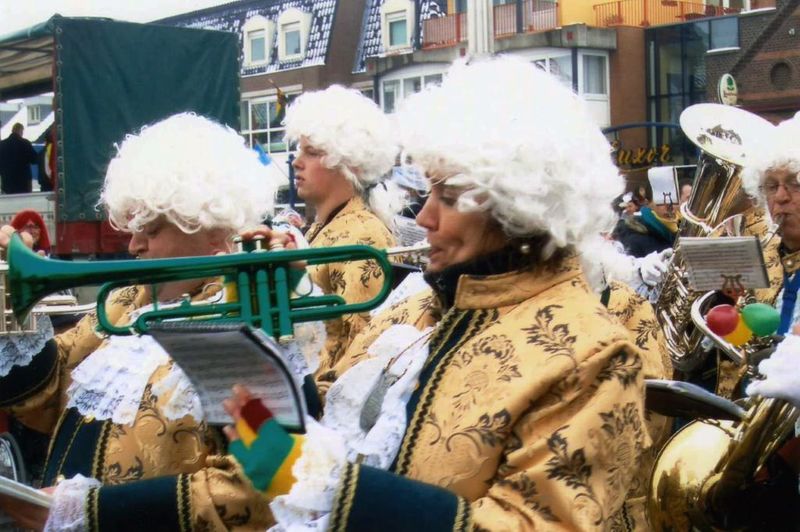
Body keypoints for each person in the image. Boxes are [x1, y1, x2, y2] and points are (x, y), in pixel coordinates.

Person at [225, 57, 650, 530]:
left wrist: (332, 487)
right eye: (429, 193)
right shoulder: (415, 308)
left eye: (446, 198)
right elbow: (336, 426)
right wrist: (275, 369)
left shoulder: (596, 354)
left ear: (515, 211)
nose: (424, 218)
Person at [0, 113, 281, 530]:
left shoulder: (243, 317)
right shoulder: (126, 301)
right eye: (131, 226)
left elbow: (258, 489)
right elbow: (44, 394)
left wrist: (94, 511)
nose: (133, 244)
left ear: (210, 227)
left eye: (150, 227)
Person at [285, 86, 405, 385]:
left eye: (312, 152)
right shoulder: (323, 227)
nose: (296, 161)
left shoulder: (364, 234)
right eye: (299, 150)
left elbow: (361, 346)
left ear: (350, 163)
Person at [0, 123, 39, 194]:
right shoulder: (25, 143)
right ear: (21, 130)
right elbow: (34, 160)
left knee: (8, 200)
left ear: (12, 130)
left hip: (7, 183)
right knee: (24, 200)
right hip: (24, 183)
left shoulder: (2, 144)